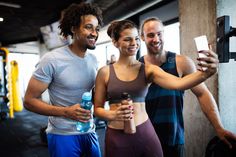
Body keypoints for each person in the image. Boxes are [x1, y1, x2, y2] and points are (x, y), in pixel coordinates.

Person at [94, 20, 218, 157]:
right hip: (116, 137)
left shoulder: (148, 70)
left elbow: (178, 83)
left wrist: (205, 74)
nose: (134, 43)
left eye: (135, 39)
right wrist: (113, 114)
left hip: (145, 134)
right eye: (127, 39)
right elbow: (97, 109)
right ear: (115, 42)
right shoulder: (104, 72)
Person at [139, 17, 236, 157]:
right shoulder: (137, 67)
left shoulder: (181, 63)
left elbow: (202, 94)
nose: (156, 39)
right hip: (144, 140)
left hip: (173, 140)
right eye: (150, 35)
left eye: (159, 34)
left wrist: (219, 128)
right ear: (142, 37)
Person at [24, 3, 103, 157]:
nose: (94, 33)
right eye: (88, 27)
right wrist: (66, 112)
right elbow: (29, 101)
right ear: (73, 28)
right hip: (63, 135)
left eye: (97, 29)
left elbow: (91, 96)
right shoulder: (52, 59)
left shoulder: (93, 60)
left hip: (89, 130)